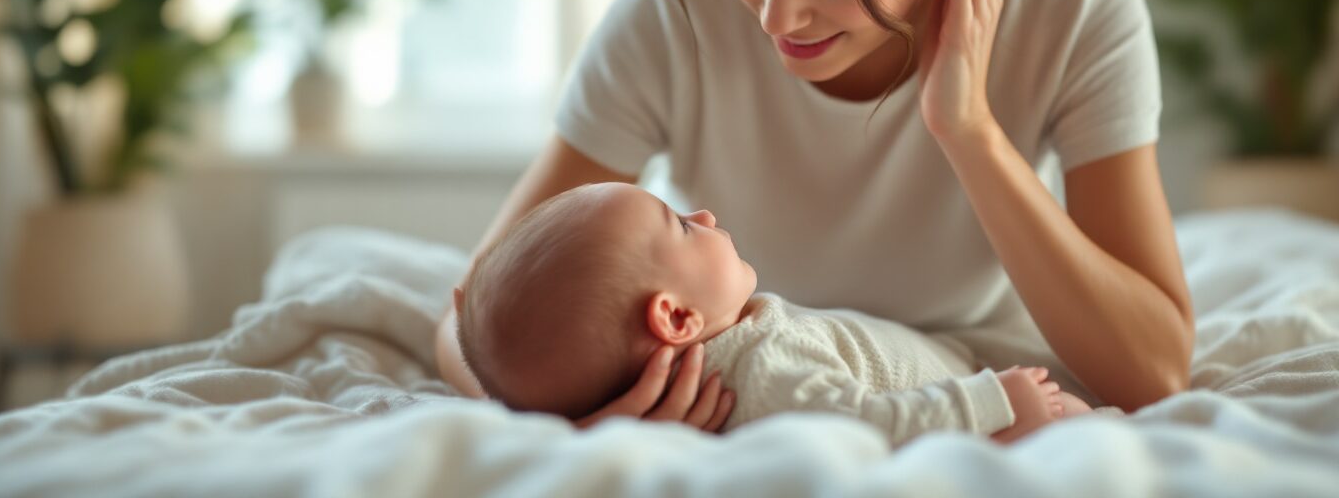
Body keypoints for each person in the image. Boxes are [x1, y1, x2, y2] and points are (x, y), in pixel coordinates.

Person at [435, 0, 1194, 432]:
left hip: (963, 372)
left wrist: (968, 129)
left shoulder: (1078, 8)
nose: (776, 15)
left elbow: (1156, 372)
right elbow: (472, 321)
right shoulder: (673, 11)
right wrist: (578, 418)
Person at [451, 181, 1104, 444]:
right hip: (971, 398)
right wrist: (993, 401)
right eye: (680, 226)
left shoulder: (736, 343)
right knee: (1079, 426)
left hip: (962, 358)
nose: (704, 215)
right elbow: (869, 425)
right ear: (676, 320)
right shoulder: (763, 370)